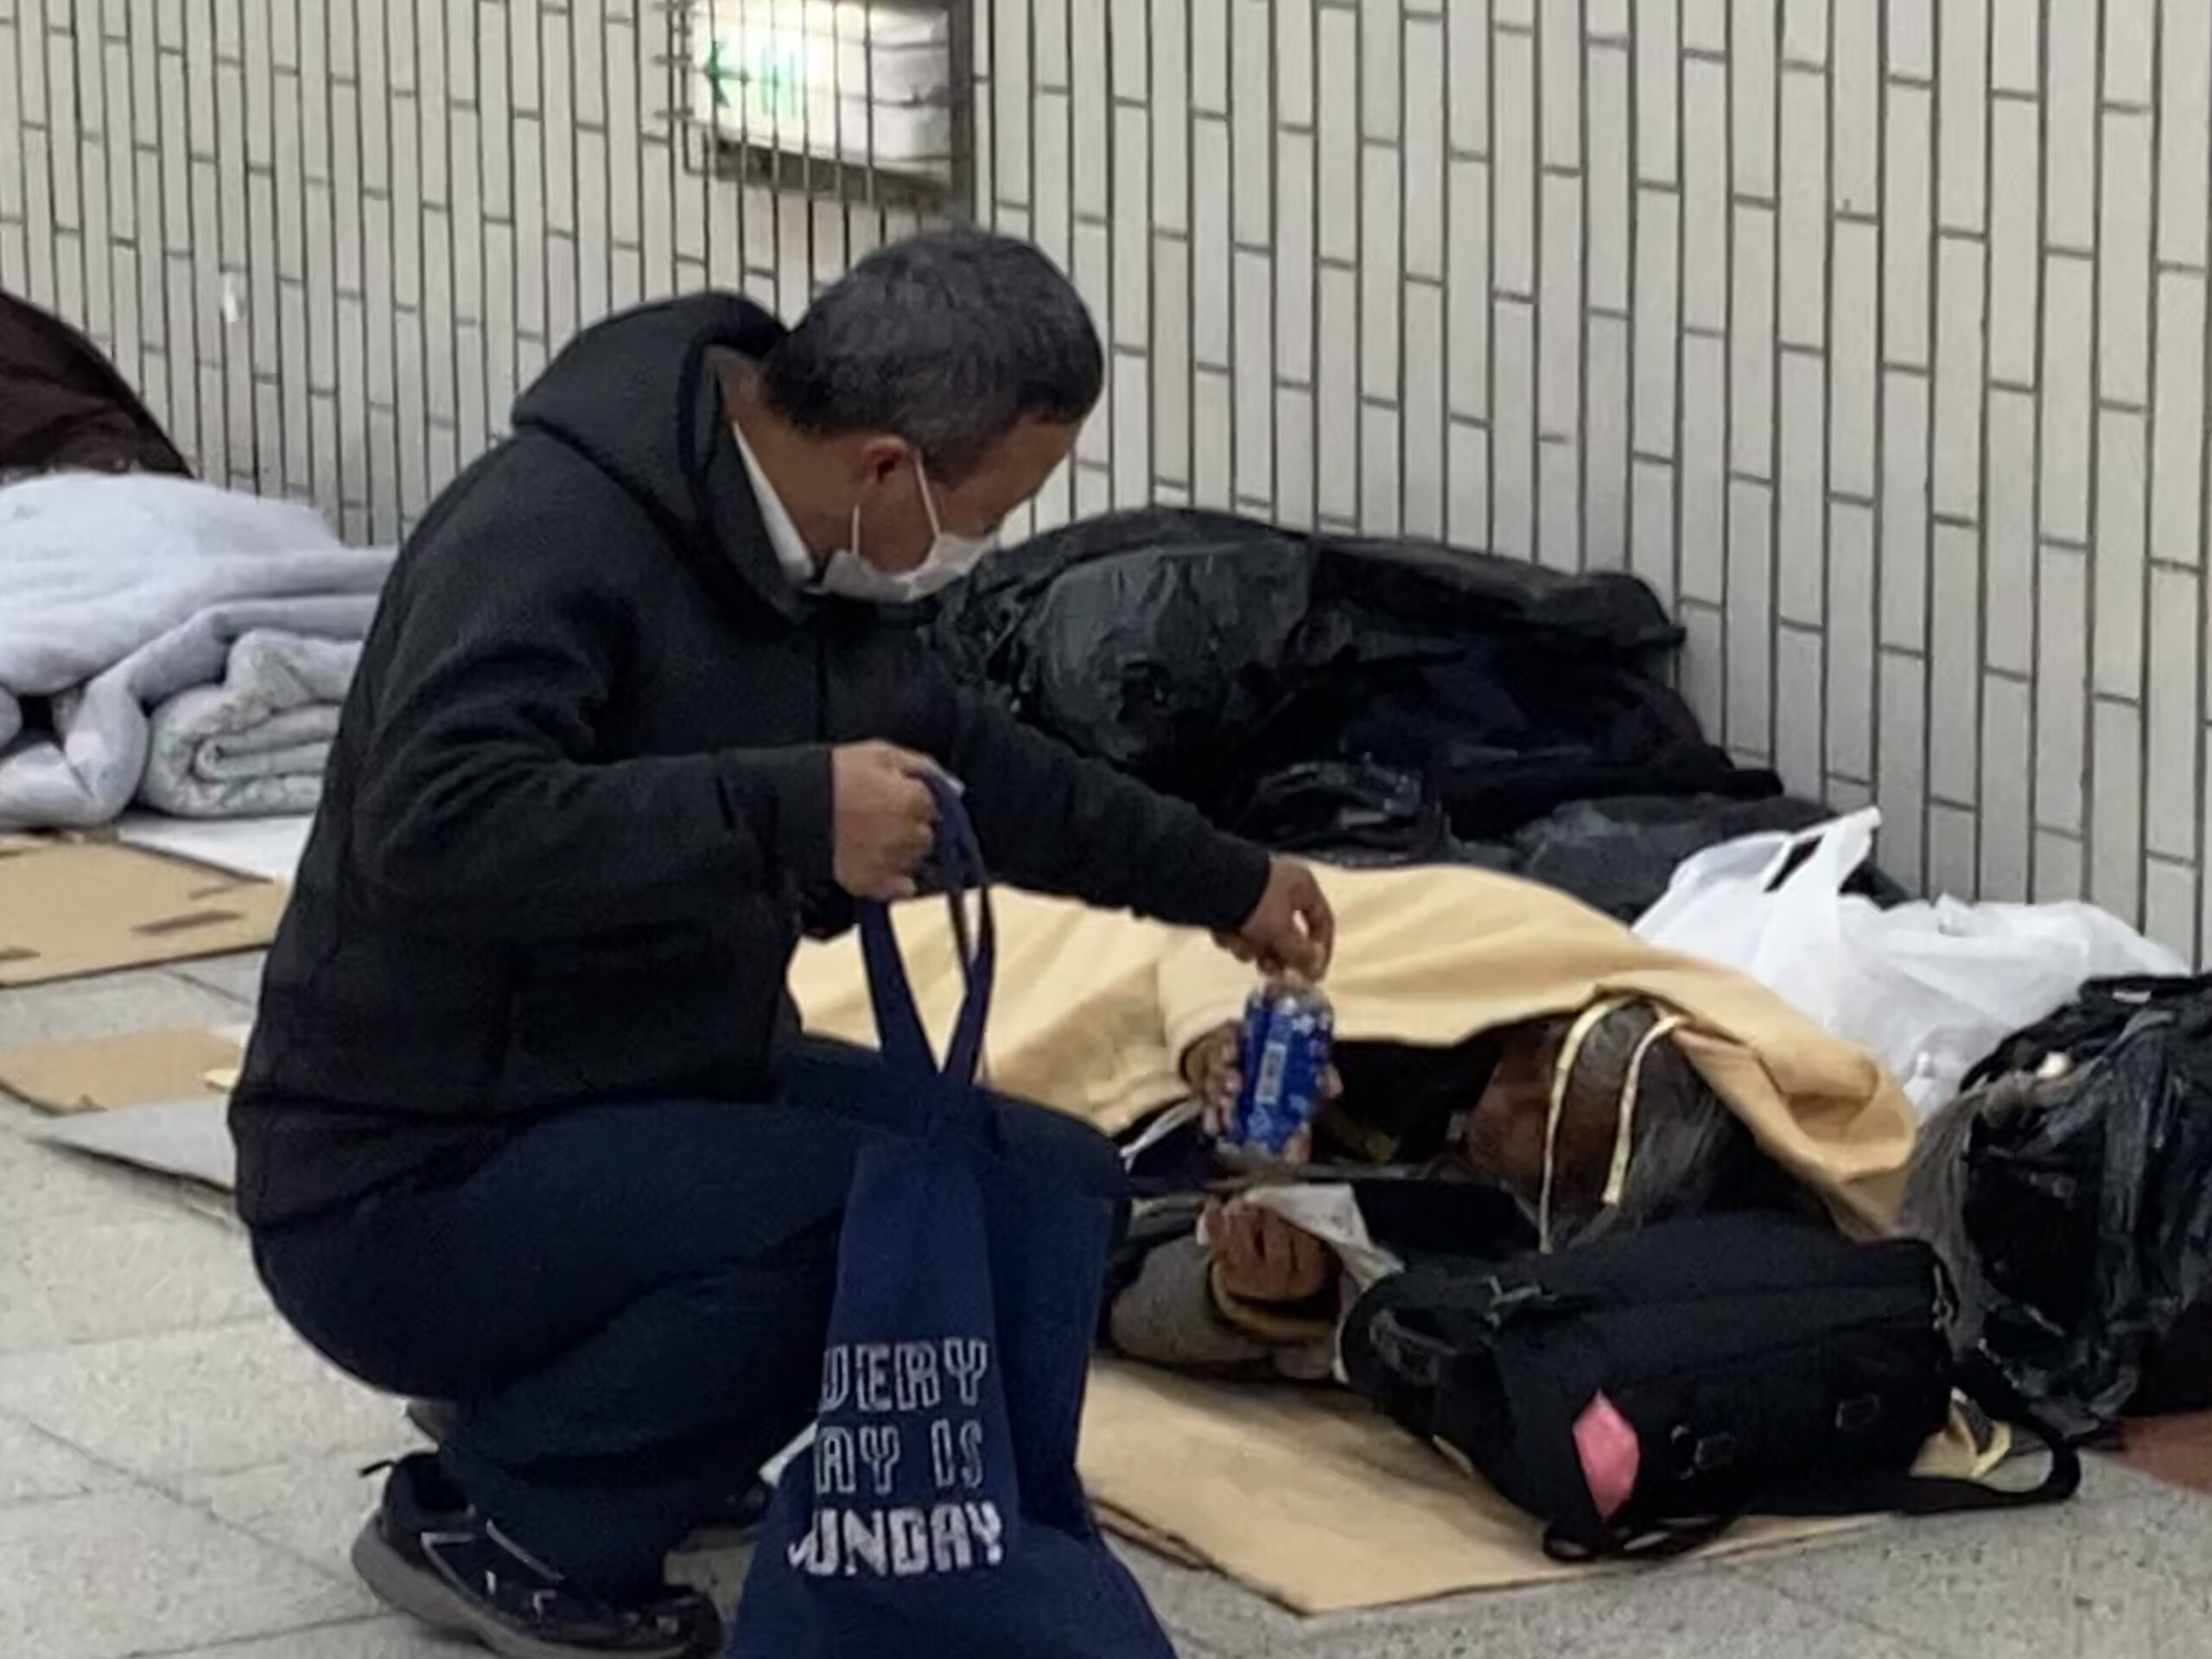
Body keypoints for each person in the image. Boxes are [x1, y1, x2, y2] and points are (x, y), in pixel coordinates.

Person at [230, 230, 1333, 1659]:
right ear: (889, 466)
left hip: (638, 1085)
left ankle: (719, 1459)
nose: (986, 539)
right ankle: (516, 1517)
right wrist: (790, 812)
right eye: (997, 506)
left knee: (1039, 1183)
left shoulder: (815, 566)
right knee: (870, 1214)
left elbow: (974, 767)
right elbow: (435, 829)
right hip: (402, 1177)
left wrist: (1225, 880)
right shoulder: (548, 533)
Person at [1106, 1004, 1815, 1381]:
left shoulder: (1474, 1249)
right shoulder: (1437, 1038)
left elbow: (1120, 1284)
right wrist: (1207, 1039)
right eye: (1540, 1062)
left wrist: (1246, 1299)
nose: (1513, 1102)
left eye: (1551, 1127)